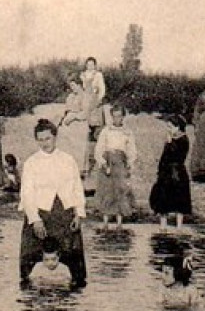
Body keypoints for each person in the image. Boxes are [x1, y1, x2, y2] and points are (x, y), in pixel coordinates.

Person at [19, 119, 87, 289]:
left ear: (55, 138)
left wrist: (79, 213)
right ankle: (33, 295)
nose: (44, 143)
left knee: (71, 257)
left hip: (64, 213)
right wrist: (35, 220)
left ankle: (72, 297)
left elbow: (77, 188)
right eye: (40, 140)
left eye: (47, 139)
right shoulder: (31, 162)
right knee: (32, 259)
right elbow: (27, 194)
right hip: (41, 214)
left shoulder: (68, 159)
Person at [92, 106, 137, 228]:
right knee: (107, 191)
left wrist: (129, 164)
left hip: (121, 162)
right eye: (114, 116)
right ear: (111, 116)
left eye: (119, 116)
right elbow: (99, 148)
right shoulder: (106, 131)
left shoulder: (127, 132)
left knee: (120, 191)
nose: (117, 119)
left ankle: (119, 222)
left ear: (123, 117)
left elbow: (132, 150)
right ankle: (105, 222)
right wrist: (102, 162)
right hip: (108, 162)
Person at [150, 115, 193, 226]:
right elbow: (164, 157)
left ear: (177, 127)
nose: (168, 129)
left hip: (177, 173)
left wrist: (170, 142)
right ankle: (163, 227)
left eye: (170, 127)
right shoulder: (171, 140)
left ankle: (179, 227)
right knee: (163, 201)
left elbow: (178, 155)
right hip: (166, 173)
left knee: (179, 202)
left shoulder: (183, 139)